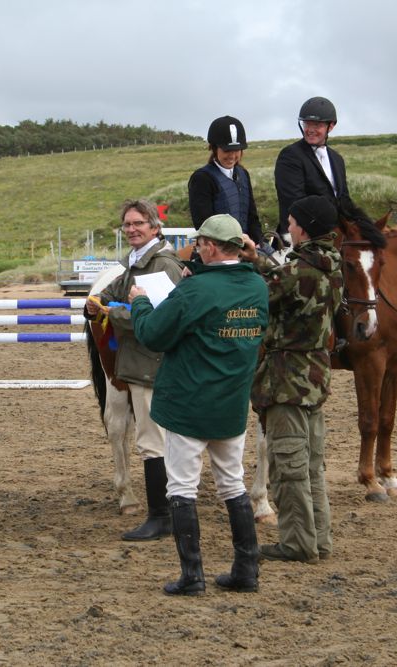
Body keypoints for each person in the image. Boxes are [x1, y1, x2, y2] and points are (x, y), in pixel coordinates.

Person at [129, 214, 268, 595]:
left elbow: (153, 334)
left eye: (200, 244)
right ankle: (246, 568)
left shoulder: (195, 291)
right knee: (232, 483)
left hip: (189, 402)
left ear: (208, 246)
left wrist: (140, 304)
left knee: (182, 487)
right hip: (231, 401)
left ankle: (192, 575)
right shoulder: (257, 286)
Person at [247, 195, 344, 563]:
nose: (288, 228)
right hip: (314, 378)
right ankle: (318, 539)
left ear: (305, 228)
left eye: (291, 223)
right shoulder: (331, 266)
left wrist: (244, 262)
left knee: (288, 468)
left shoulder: (297, 272)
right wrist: (257, 258)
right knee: (312, 467)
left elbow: (262, 292)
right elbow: (283, 279)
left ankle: (297, 543)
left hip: (287, 379)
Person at [85, 199, 184, 541]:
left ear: (155, 227)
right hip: (142, 361)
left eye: (138, 223)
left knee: (152, 441)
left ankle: (161, 516)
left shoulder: (162, 265)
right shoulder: (136, 263)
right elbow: (113, 291)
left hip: (152, 363)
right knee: (152, 440)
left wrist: (111, 313)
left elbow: (157, 320)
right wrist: (97, 302)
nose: (131, 229)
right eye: (127, 224)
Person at [273, 97, 349, 239]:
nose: (310, 130)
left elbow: (344, 199)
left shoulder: (337, 159)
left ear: (331, 126)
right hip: (301, 236)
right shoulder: (290, 156)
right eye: (307, 124)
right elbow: (296, 202)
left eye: (317, 125)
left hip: (334, 236)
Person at [188, 116, 264, 246]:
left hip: (246, 246)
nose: (232, 156)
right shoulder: (202, 178)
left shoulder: (243, 174)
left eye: (236, 150)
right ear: (214, 148)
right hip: (216, 250)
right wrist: (233, 248)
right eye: (227, 150)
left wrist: (256, 243)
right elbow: (204, 225)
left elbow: (252, 216)